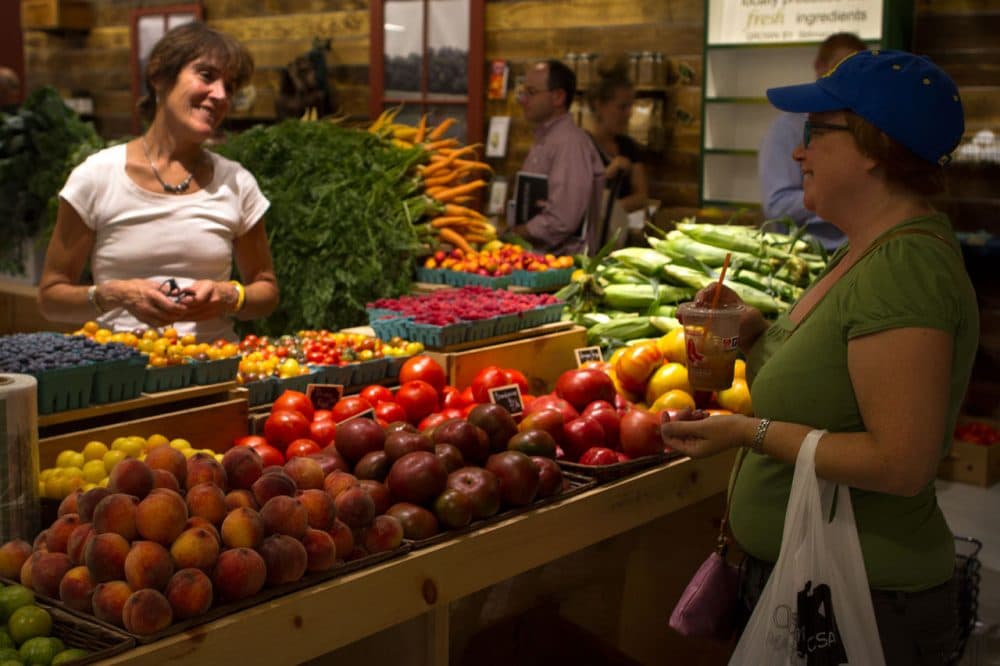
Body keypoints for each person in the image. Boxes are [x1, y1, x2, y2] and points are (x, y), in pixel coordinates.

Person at [662, 49, 977, 664]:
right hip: (818, 583)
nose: (798, 152)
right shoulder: (866, 249)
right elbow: (836, 381)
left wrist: (748, 432)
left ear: (872, 147)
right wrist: (753, 333)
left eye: (815, 134)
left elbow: (900, 463)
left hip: (868, 603)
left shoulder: (905, 268)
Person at [38, 22, 279, 342]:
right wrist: (115, 294)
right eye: (206, 76)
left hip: (213, 369)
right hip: (121, 376)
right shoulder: (96, 176)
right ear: (160, 77)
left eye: (230, 87)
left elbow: (266, 289)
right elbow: (51, 298)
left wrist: (228, 296)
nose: (220, 95)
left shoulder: (236, 182)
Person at [758, 33, 866, 252]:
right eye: (812, 132)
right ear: (820, 66)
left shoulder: (897, 251)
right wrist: (842, 198)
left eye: (818, 133)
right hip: (806, 254)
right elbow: (777, 205)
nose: (799, 153)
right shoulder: (786, 129)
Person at [507, 59, 605, 255]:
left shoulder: (570, 143)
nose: (523, 99)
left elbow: (563, 219)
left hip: (563, 270)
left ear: (558, 97)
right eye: (523, 92)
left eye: (531, 92)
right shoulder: (547, 139)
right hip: (538, 262)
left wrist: (516, 233)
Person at [586, 64, 649, 214]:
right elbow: (575, 198)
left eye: (630, 107)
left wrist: (609, 211)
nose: (629, 114)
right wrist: (607, 174)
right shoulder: (580, 146)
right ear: (599, 106)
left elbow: (641, 197)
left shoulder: (628, 146)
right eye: (622, 107)